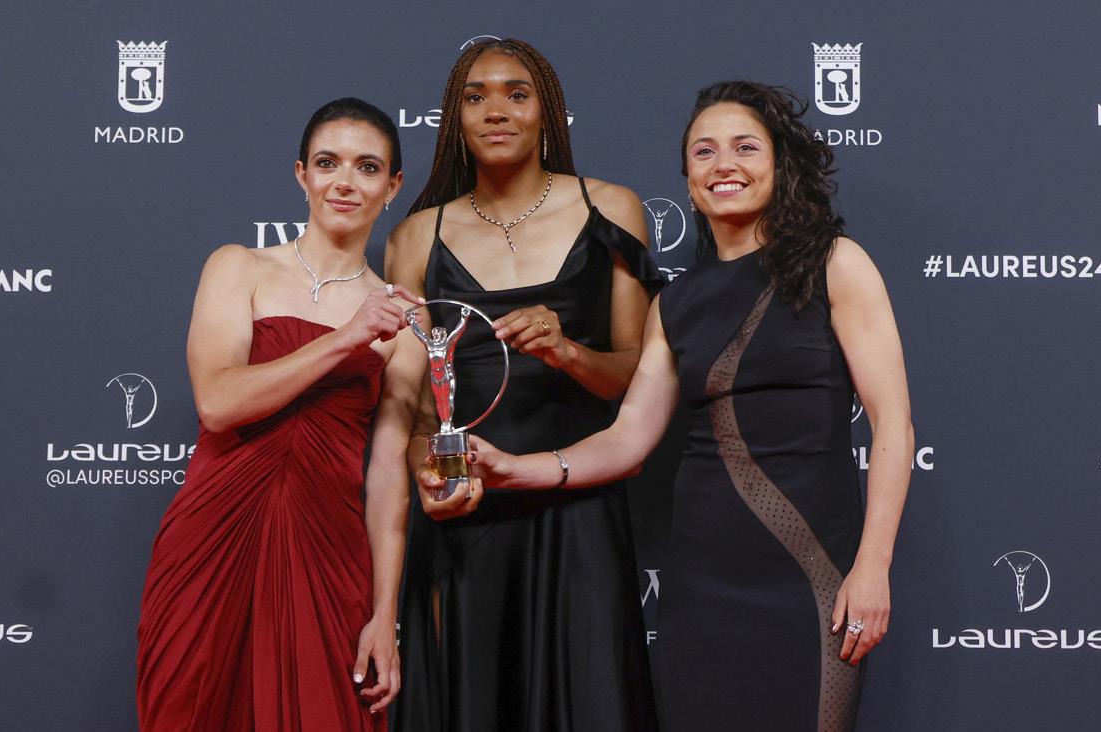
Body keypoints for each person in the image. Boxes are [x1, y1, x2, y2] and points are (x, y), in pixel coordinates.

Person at [467, 81, 914, 732]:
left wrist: (872, 566)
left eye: (745, 147)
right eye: (704, 151)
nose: (724, 164)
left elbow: (893, 422)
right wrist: (514, 469)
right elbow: (627, 440)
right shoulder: (673, 304)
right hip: (700, 586)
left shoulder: (835, 265)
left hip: (811, 578)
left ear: (779, 162)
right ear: (688, 177)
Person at [385, 38, 662, 732]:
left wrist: (568, 352)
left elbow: (633, 379)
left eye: (517, 93)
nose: (495, 110)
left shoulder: (611, 209)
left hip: (579, 502)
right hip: (470, 510)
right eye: (475, 96)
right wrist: (431, 476)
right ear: (455, 119)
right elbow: (418, 408)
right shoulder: (416, 237)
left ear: (548, 112)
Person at [137, 98, 426, 731]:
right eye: (327, 163)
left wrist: (384, 616)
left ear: (393, 186)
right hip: (212, 540)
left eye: (367, 167)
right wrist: (347, 338)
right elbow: (218, 403)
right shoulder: (238, 266)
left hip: (328, 552)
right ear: (301, 174)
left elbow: (387, 477)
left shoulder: (405, 318)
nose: (344, 182)